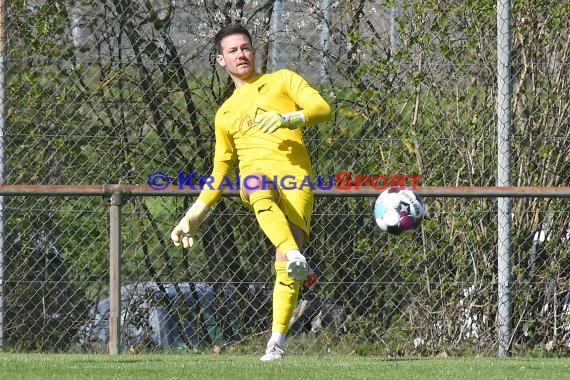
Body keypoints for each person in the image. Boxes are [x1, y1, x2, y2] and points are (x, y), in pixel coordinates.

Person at [170, 23, 331, 361]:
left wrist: (289, 119)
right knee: (254, 183)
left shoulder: (282, 79)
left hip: (295, 180)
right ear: (220, 60)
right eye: (233, 50)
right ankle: (293, 253)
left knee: (285, 266)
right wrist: (194, 213)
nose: (241, 54)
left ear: (253, 52)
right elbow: (219, 172)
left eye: (245, 47)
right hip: (255, 179)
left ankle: (276, 343)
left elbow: (322, 109)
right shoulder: (225, 113)